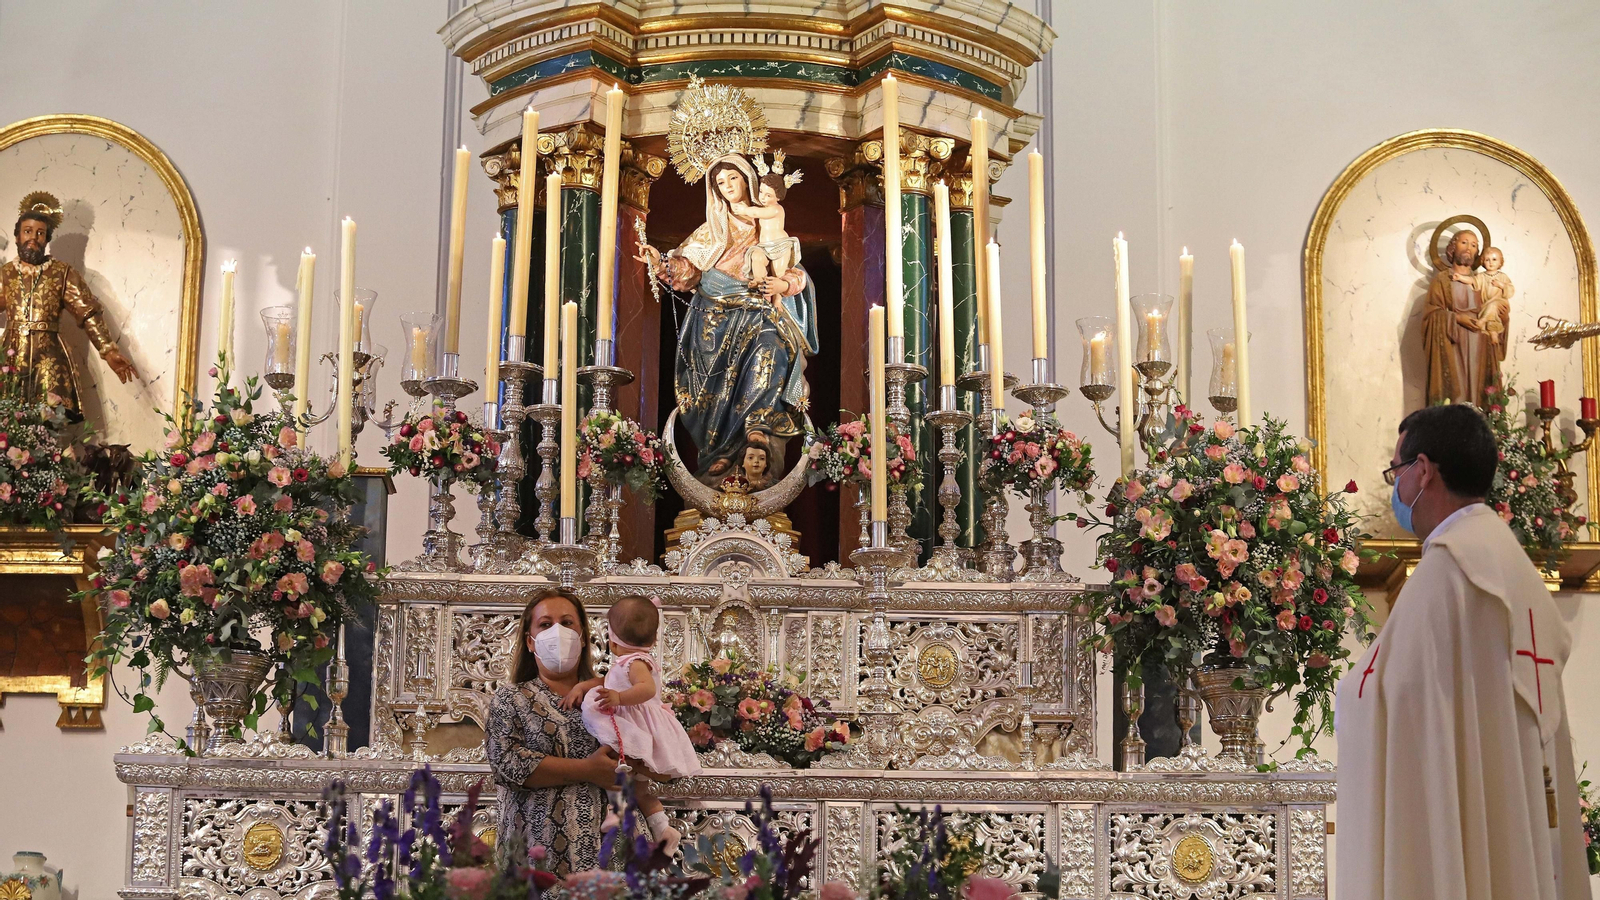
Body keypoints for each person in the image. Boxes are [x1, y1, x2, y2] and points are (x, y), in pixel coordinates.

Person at [1336, 404, 1589, 900]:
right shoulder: (1514, 568)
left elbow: (1397, 695)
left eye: (1396, 472)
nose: (1396, 488)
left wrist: (1347, 692)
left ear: (1424, 471)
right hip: (1517, 814)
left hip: (1464, 819)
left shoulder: (1446, 571)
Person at [636, 154, 818, 482]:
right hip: (713, 318)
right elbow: (687, 267)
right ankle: (717, 453)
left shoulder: (767, 221)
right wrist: (662, 262)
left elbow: (792, 268)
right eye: (720, 183)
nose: (728, 187)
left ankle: (757, 431)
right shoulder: (712, 228)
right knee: (711, 386)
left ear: (747, 180)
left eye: (733, 179)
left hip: (757, 311)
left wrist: (783, 283)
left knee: (772, 348)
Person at [485, 589, 620, 874]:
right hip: (536, 855)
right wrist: (588, 769)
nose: (557, 632)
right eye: (545, 624)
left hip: (608, 853)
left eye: (567, 623)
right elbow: (507, 765)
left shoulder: (610, 696)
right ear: (530, 642)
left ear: (583, 638)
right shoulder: (512, 698)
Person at [569, 596, 702, 855]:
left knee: (616, 768)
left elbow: (646, 688)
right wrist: (580, 686)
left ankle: (617, 812)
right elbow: (603, 682)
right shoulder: (626, 663)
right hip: (639, 725)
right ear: (653, 640)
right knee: (640, 790)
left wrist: (618, 698)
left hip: (637, 726)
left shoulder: (635, 663)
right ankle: (664, 831)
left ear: (612, 642)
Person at [2, 194, 139, 416]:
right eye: (28, 231)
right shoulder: (6, 273)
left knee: (50, 418)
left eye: (40, 233)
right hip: (11, 355)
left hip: (49, 358)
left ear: (47, 240)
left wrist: (108, 350)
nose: (33, 238)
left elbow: (88, 312)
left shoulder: (62, 273)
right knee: (8, 418)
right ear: (17, 236)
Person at [1422, 228, 1503, 406]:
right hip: (1452, 342)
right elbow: (1431, 315)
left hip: (1480, 344)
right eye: (1464, 242)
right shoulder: (1442, 280)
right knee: (1456, 393)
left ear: (1477, 253)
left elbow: (1498, 308)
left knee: (1478, 389)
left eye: (1474, 245)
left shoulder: (1483, 280)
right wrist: (1458, 319)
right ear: (1452, 247)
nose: (1468, 248)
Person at [1449, 245, 1514, 344]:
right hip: (1487, 304)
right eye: (1487, 260)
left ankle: (1482, 321)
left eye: (1494, 259)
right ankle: (1493, 334)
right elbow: (1472, 281)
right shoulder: (1481, 277)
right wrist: (1460, 278)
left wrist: (1501, 285)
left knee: (1492, 307)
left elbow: (1510, 290)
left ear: (1500, 262)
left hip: (1501, 303)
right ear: (1483, 262)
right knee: (1491, 312)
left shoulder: (1503, 277)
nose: (1491, 262)